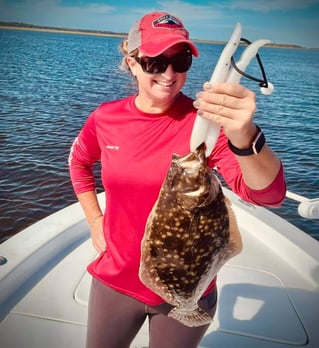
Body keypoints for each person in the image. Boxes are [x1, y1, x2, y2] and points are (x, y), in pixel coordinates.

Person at [68, 11, 286, 348]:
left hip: (190, 286)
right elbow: (79, 162)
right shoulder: (106, 118)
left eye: (180, 60)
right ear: (133, 61)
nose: (169, 74)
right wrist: (95, 220)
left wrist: (245, 135)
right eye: (155, 61)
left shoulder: (207, 126)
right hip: (116, 281)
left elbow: (267, 196)